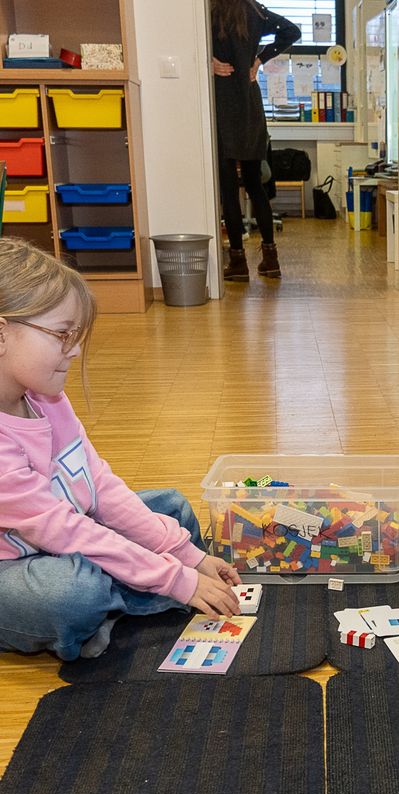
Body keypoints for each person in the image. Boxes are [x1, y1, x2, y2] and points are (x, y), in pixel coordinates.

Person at [0, 238, 241, 661]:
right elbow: (64, 530)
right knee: (76, 594)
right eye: (62, 334)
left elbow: (99, 485)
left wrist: (187, 556)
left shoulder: (47, 397)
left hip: (56, 541)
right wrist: (179, 579)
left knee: (170, 508)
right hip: (15, 567)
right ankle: (120, 601)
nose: (75, 349)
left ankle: (126, 599)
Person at [211, 0, 300, 281]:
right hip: (249, 105)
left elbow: (185, 41)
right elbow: (291, 31)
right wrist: (260, 57)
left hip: (222, 103)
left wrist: (208, 60)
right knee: (254, 184)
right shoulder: (255, 11)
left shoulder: (208, 11)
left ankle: (237, 263)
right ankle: (270, 258)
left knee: (229, 189)